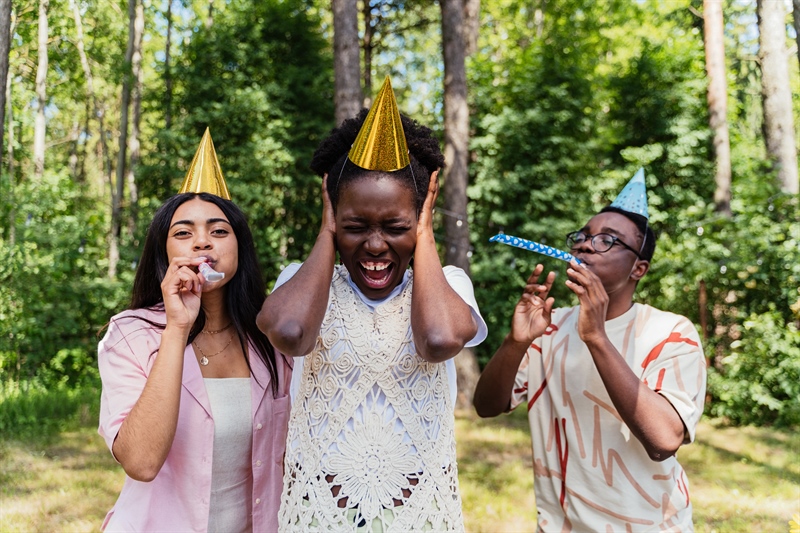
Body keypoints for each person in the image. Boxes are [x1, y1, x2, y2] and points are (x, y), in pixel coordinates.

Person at [257, 77, 487, 532]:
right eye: (355, 225)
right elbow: (290, 334)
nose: (376, 244)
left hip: (417, 513)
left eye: (396, 226)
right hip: (321, 512)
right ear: (332, 218)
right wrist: (326, 234)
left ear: (421, 216)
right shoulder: (301, 283)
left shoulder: (448, 284)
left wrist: (423, 235)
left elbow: (438, 340)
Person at [474, 169, 707, 532]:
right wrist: (516, 341)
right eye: (582, 236)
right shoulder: (549, 326)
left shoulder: (671, 333)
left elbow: (664, 441)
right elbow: (487, 407)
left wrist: (597, 337)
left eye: (607, 240)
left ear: (638, 268)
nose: (585, 244)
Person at [97, 129, 291, 532]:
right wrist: (177, 327)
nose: (202, 242)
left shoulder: (274, 341)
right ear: (163, 252)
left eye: (219, 231)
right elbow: (142, 462)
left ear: (240, 248)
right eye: (183, 233)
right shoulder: (131, 334)